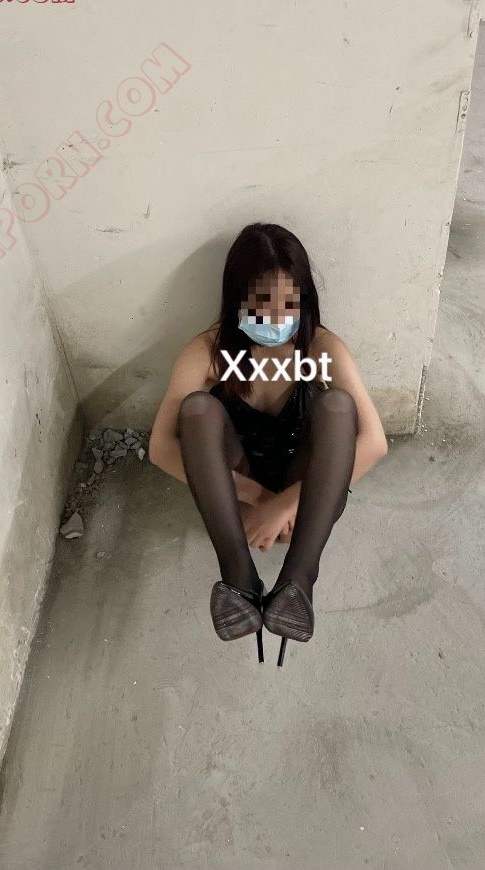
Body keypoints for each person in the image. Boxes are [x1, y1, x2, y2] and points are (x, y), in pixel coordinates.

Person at [148, 223, 388, 666]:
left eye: (288, 304)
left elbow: (374, 443)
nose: (276, 318)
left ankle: (298, 583)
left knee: (339, 407)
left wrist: (286, 504)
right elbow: (161, 447)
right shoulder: (208, 350)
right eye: (262, 302)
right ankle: (239, 579)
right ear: (237, 298)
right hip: (237, 500)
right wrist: (255, 500)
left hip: (307, 497)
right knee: (197, 410)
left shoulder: (322, 348)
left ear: (304, 299)